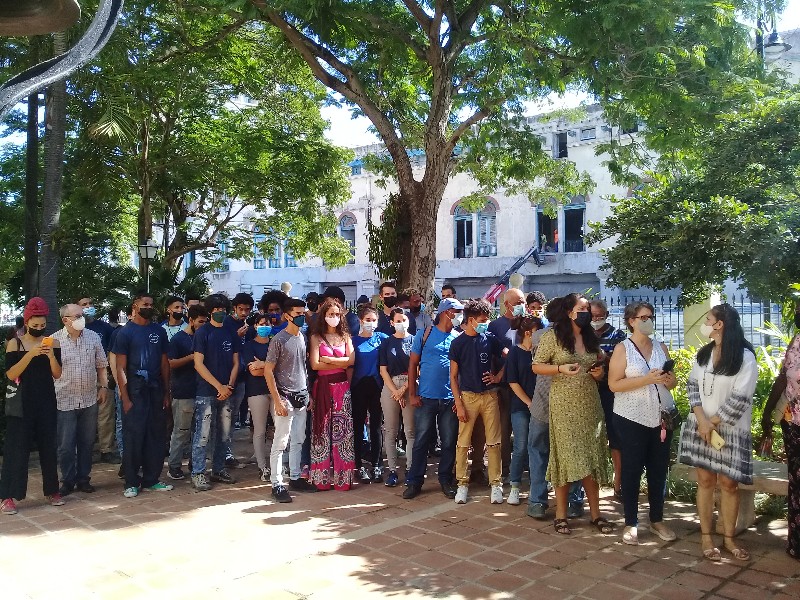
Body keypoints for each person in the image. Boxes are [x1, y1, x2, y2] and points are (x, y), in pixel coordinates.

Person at [678, 303, 757, 561]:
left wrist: (710, 423)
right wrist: (701, 419)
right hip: (701, 428)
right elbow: (692, 386)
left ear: (719, 324)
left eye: (708, 318)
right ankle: (705, 536)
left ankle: (729, 538)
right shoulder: (704, 354)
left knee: (728, 484)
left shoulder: (745, 358)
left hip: (729, 432)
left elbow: (740, 400)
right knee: (705, 481)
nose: (705, 323)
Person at [532, 293, 614, 535]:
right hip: (563, 404)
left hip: (590, 402)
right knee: (565, 457)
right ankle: (561, 515)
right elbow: (536, 365)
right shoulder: (552, 337)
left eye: (588, 308)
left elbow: (598, 361)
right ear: (569, 312)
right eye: (582, 308)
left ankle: (596, 514)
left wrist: (599, 373)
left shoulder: (590, 337)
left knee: (590, 457)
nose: (586, 311)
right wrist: (559, 368)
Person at [608, 301, 678, 545]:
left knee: (659, 470)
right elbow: (614, 384)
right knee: (632, 469)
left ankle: (657, 519)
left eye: (651, 316)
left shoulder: (661, 347)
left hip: (660, 417)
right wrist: (646, 379)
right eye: (643, 317)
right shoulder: (622, 349)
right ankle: (631, 523)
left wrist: (668, 379)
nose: (648, 320)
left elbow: (673, 383)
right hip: (631, 417)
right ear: (632, 321)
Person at [0, 298, 64, 515]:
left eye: (42, 325)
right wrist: (30, 355)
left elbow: (57, 374)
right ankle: (8, 495)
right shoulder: (14, 344)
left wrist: (50, 356)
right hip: (22, 403)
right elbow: (11, 374)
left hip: (45, 400)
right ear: (26, 322)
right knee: (16, 449)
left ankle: (52, 490)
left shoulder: (52, 343)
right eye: (35, 325)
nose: (39, 329)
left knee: (48, 447)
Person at [112, 292, 174, 498]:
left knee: (155, 435)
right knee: (133, 436)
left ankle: (152, 479)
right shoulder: (125, 333)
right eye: (144, 303)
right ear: (135, 306)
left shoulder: (159, 331)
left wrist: (166, 392)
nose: (148, 306)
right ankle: (131, 481)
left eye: (151, 304)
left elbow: (165, 363)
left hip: (156, 390)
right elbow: (120, 367)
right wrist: (125, 396)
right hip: (135, 391)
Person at [403, 298, 464, 500]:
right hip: (426, 398)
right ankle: (414, 481)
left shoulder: (457, 337)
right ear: (446, 312)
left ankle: (445, 479)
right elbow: (412, 365)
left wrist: (459, 398)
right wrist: (412, 393)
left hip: (449, 399)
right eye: (457, 312)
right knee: (421, 441)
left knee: (448, 441)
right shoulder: (425, 334)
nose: (459, 316)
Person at [450, 299, 506, 504]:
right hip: (468, 397)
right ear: (471, 320)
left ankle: (496, 484)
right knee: (463, 443)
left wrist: (498, 377)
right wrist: (459, 403)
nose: (486, 323)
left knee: (494, 442)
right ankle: (462, 484)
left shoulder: (490, 338)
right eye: (483, 320)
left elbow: (509, 356)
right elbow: (453, 376)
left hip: (490, 396)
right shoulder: (458, 343)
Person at [264, 298, 319, 502]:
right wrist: (277, 401)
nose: (301, 317)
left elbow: (303, 368)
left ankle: (295, 477)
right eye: (297, 314)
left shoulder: (303, 337)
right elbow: (268, 372)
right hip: (285, 397)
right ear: (287, 315)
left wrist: (308, 394)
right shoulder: (278, 340)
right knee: (281, 441)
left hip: (301, 395)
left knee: (299, 439)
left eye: (302, 313)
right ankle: (276, 483)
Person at [53, 304, 109, 496]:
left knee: (86, 443)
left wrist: (103, 387)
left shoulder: (93, 337)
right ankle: (67, 480)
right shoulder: (54, 341)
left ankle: (84, 478)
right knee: (66, 446)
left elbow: (102, 365)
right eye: (76, 316)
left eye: (81, 315)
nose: (81, 318)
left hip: (88, 399)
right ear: (65, 320)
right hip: (64, 400)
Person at [762, 301, 800, 560]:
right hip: (793, 423)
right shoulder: (797, 341)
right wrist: (767, 415)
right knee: (797, 484)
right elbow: (783, 378)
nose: (797, 314)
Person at [190, 294, 239, 491]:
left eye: (223, 309)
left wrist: (229, 386)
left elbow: (236, 363)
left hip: (227, 392)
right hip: (206, 392)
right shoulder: (203, 333)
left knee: (224, 435)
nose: (221, 313)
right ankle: (198, 472)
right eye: (217, 310)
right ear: (210, 311)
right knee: (202, 434)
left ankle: (218, 469)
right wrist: (219, 386)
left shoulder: (230, 332)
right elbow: (198, 364)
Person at [309, 297, 356, 490]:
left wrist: (328, 358)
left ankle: (343, 478)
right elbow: (314, 364)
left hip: (342, 388)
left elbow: (350, 362)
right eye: (330, 314)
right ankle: (321, 478)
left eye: (337, 314)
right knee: (321, 430)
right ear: (323, 316)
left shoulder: (346, 337)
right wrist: (340, 360)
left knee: (343, 432)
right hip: (323, 388)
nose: (334, 317)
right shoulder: (315, 337)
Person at [487, 288, 526, 479]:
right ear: (507, 304)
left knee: (524, 427)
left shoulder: (528, 324)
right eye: (518, 302)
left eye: (523, 301)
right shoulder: (495, 326)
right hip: (503, 386)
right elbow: (492, 356)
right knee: (503, 427)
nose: (522, 306)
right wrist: (495, 379)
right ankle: (505, 468)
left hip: (526, 384)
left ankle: (523, 466)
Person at [166, 304, 208, 480]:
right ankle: (174, 465)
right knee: (181, 431)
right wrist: (191, 358)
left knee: (199, 432)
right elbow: (170, 363)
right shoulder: (178, 339)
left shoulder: (205, 337)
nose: (203, 325)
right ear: (190, 320)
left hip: (202, 391)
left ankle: (195, 463)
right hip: (183, 392)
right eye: (200, 322)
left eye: (205, 322)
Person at [590, 299, 627, 498]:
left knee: (615, 437)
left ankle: (618, 483)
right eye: (592, 316)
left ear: (606, 314)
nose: (596, 320)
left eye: (599, 316)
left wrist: (604, 357)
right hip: (587, 391)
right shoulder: (582, 334)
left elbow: (622, 364)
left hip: (611, 391)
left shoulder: (617, 335)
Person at [505, 314, 543, 506]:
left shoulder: (541, 353)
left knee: (538, 446)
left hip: (542, 407)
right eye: (538, 332)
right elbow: (512, 381)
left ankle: (539, 485)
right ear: (528, 333)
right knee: (520, 446)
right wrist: (529, 402)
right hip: (521, 407)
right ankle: (514, 485)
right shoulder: (515, 352)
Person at [78, 295, 118, 464]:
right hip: (79, 377)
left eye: (90, 303)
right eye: (84, 304)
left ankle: (106, 450)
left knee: (105, 415)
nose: (88, 306)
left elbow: (112, 352)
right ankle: (82, 451)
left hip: (102, 376)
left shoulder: (104, 328)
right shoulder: (73, 327)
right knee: (81, 416)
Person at [351, 304, 389, 483]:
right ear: (360, 321)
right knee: (358, 427)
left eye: (374, 320)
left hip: (377, 387)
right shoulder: (352, 341)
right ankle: (357, 465)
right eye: (368, 320)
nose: (371, 324)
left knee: (375, 427)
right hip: (358, 387)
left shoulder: (382, 338)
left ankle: (376, 464)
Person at [379, 308, 416, 488]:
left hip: (410, 386)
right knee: (391, 431)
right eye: (398, 320)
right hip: (390, 387)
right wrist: (395, 391)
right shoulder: (386, 343)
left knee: (410, 431)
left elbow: (418, 369)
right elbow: (383, 370)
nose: (402, 322)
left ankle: (410, 469)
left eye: (405, 319)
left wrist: (403, 390)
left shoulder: (415, 341)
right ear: (392, 323)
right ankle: (392, 470)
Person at [241, 313, 273, 482]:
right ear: (255, 326)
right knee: (259, 431)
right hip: (256, 391)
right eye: (261, 324)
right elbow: (253, 371)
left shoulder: (276, 342)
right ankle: (262, 467)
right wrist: (270, 366)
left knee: (281, 429)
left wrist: (263, 365)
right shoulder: (248, 346)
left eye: (267, 323)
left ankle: (279, 464)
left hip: (276, 390)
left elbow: (281, 367)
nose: (264, 327)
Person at [225, 292, 254, 443]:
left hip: (242, 377)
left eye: (247, 309)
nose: (243, 312)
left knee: (234, 414)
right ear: (234, 308)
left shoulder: (249, 326)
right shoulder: (226, 324)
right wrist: (236, 336)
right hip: (226, 377)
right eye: (240, 309)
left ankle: (227, 450)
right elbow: (222, 347)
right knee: (224, 415)